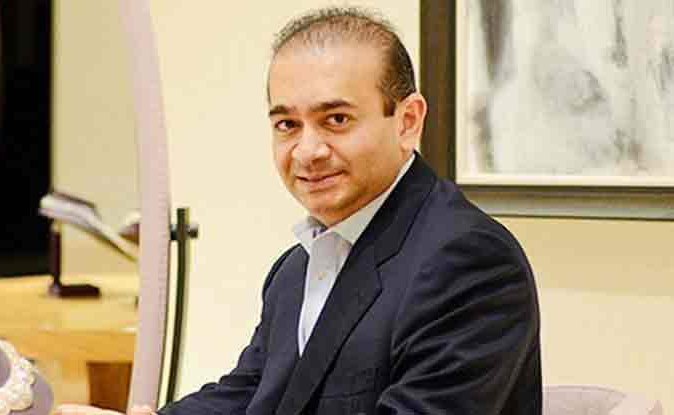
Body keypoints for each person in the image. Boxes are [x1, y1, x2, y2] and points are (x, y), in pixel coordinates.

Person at [60, 6, 541, 415]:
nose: (308, 151)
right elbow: (248, 394)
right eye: (287, 125)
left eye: (336, 119)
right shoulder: (296, 268)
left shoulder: (469, 261)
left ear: (407, 121)